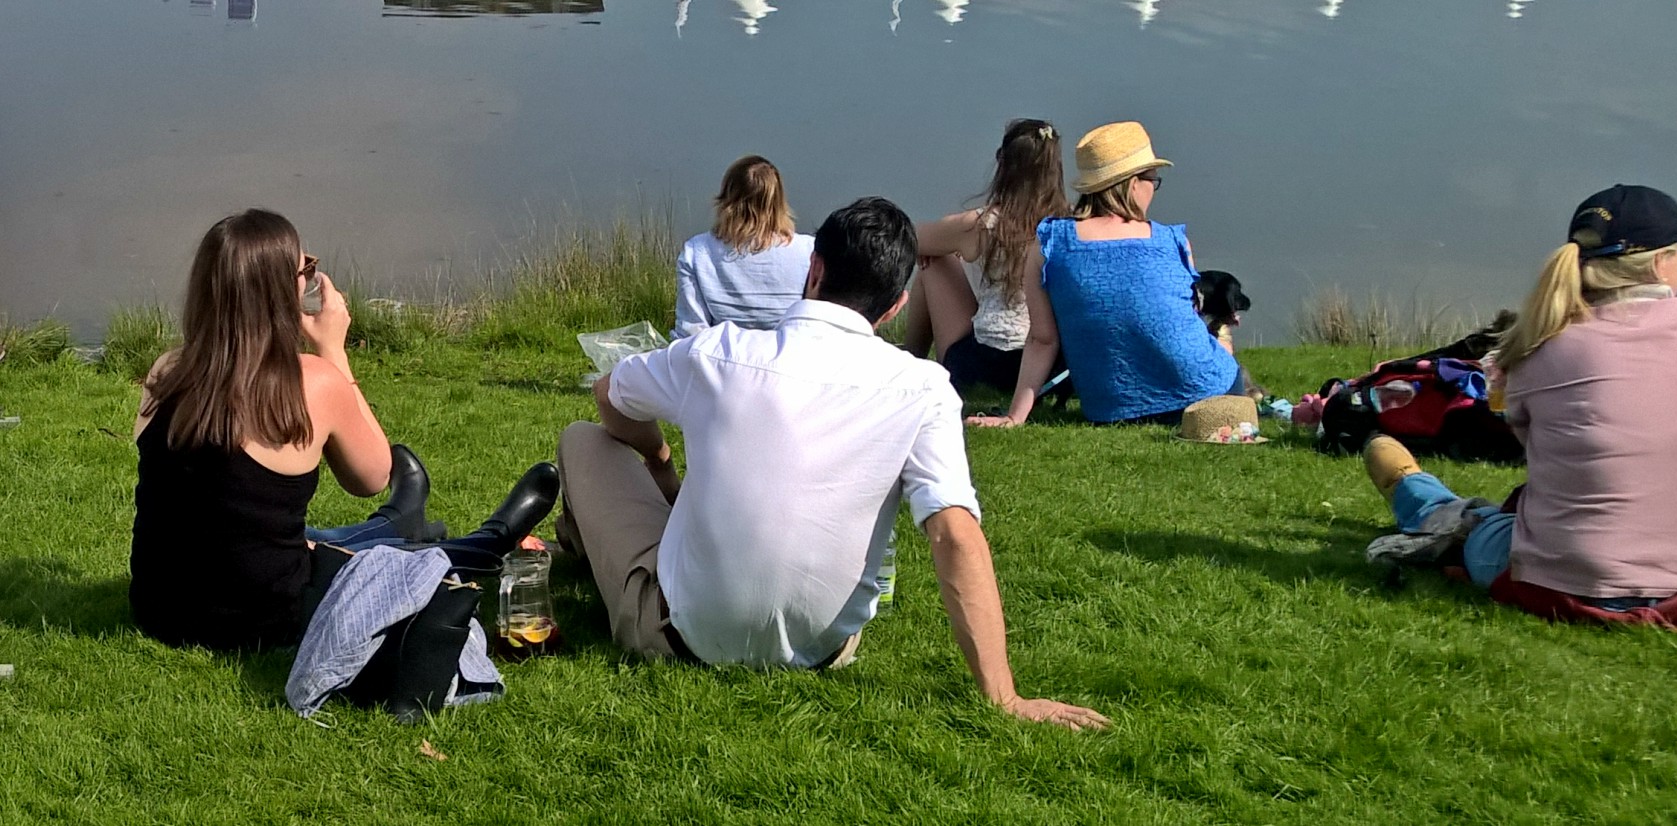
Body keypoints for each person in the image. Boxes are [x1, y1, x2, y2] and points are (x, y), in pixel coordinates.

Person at [557, 198, 1107, 729]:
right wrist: (1004, 695)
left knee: (584, 439)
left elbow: (610, 395)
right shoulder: (923, 387)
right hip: (826, 649)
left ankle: (580, 556)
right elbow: (955, 535)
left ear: (813, 269)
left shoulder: (716, 351)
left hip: (681, 637)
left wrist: (659, 459)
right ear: (894, 306)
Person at [130, 209, 559, 652]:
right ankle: (490, 540)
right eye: (305, 269)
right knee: (400, 565)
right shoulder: (309, 381)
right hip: (262, 618)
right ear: (283, 289)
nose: (310, 279)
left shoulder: (167, 370)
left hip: (161, 608)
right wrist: (332, 350)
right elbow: (372, 476)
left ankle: (398, 519)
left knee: (298, 537)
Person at [1361, 185, 1677, 628]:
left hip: (1569, 582)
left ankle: (1422, 496)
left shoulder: (1542, 347)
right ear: (1660, 263)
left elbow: (1533, 444)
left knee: (1486, 532)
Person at [969, 122, 1242, 428]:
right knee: (1219, 345)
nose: (1154, 188)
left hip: (1113, 408)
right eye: (1153, 180)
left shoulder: (1049, 243)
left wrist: (1014, 416)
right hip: (1207, 396)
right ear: (1132, 183)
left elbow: (1042, 340)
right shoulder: (1172, 241)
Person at [900, 119, 1066, 394]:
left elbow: (906, 238)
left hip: (985, 363)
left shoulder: (982, 224)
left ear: (1003, 164)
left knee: (934, 264)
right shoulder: (1067, 226)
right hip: (1046, 364)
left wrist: (944, 246)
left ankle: (910, 364)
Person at [673, 155, 815, 338]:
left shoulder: (697, 252)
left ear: (726, 199)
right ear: (778, 202)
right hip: (788, 359)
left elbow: (690, 332)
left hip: (720, 361)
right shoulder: (809, 251)